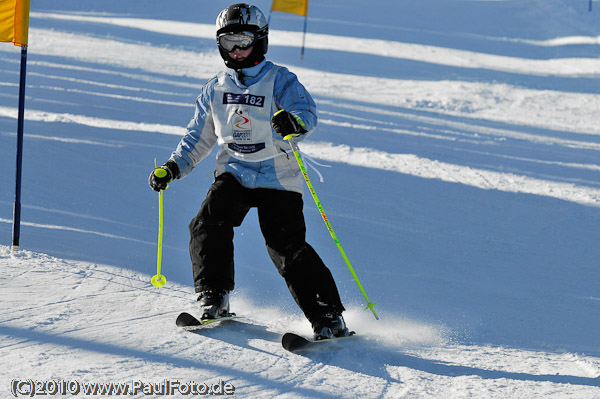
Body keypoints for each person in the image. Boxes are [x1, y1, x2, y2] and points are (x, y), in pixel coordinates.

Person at [148, 3, 350, 340]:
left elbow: (306, 112)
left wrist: (293, 122)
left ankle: (328, 316)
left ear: (260, 40)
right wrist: (173, 167)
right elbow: (199, 137)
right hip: (236, 172)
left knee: (285, 244)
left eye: (244, 41)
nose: (237, 51)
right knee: (206, 222)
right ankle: (214, 296)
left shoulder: (280, 79)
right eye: (229, 43)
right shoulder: (215, 88)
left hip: (277, 175)